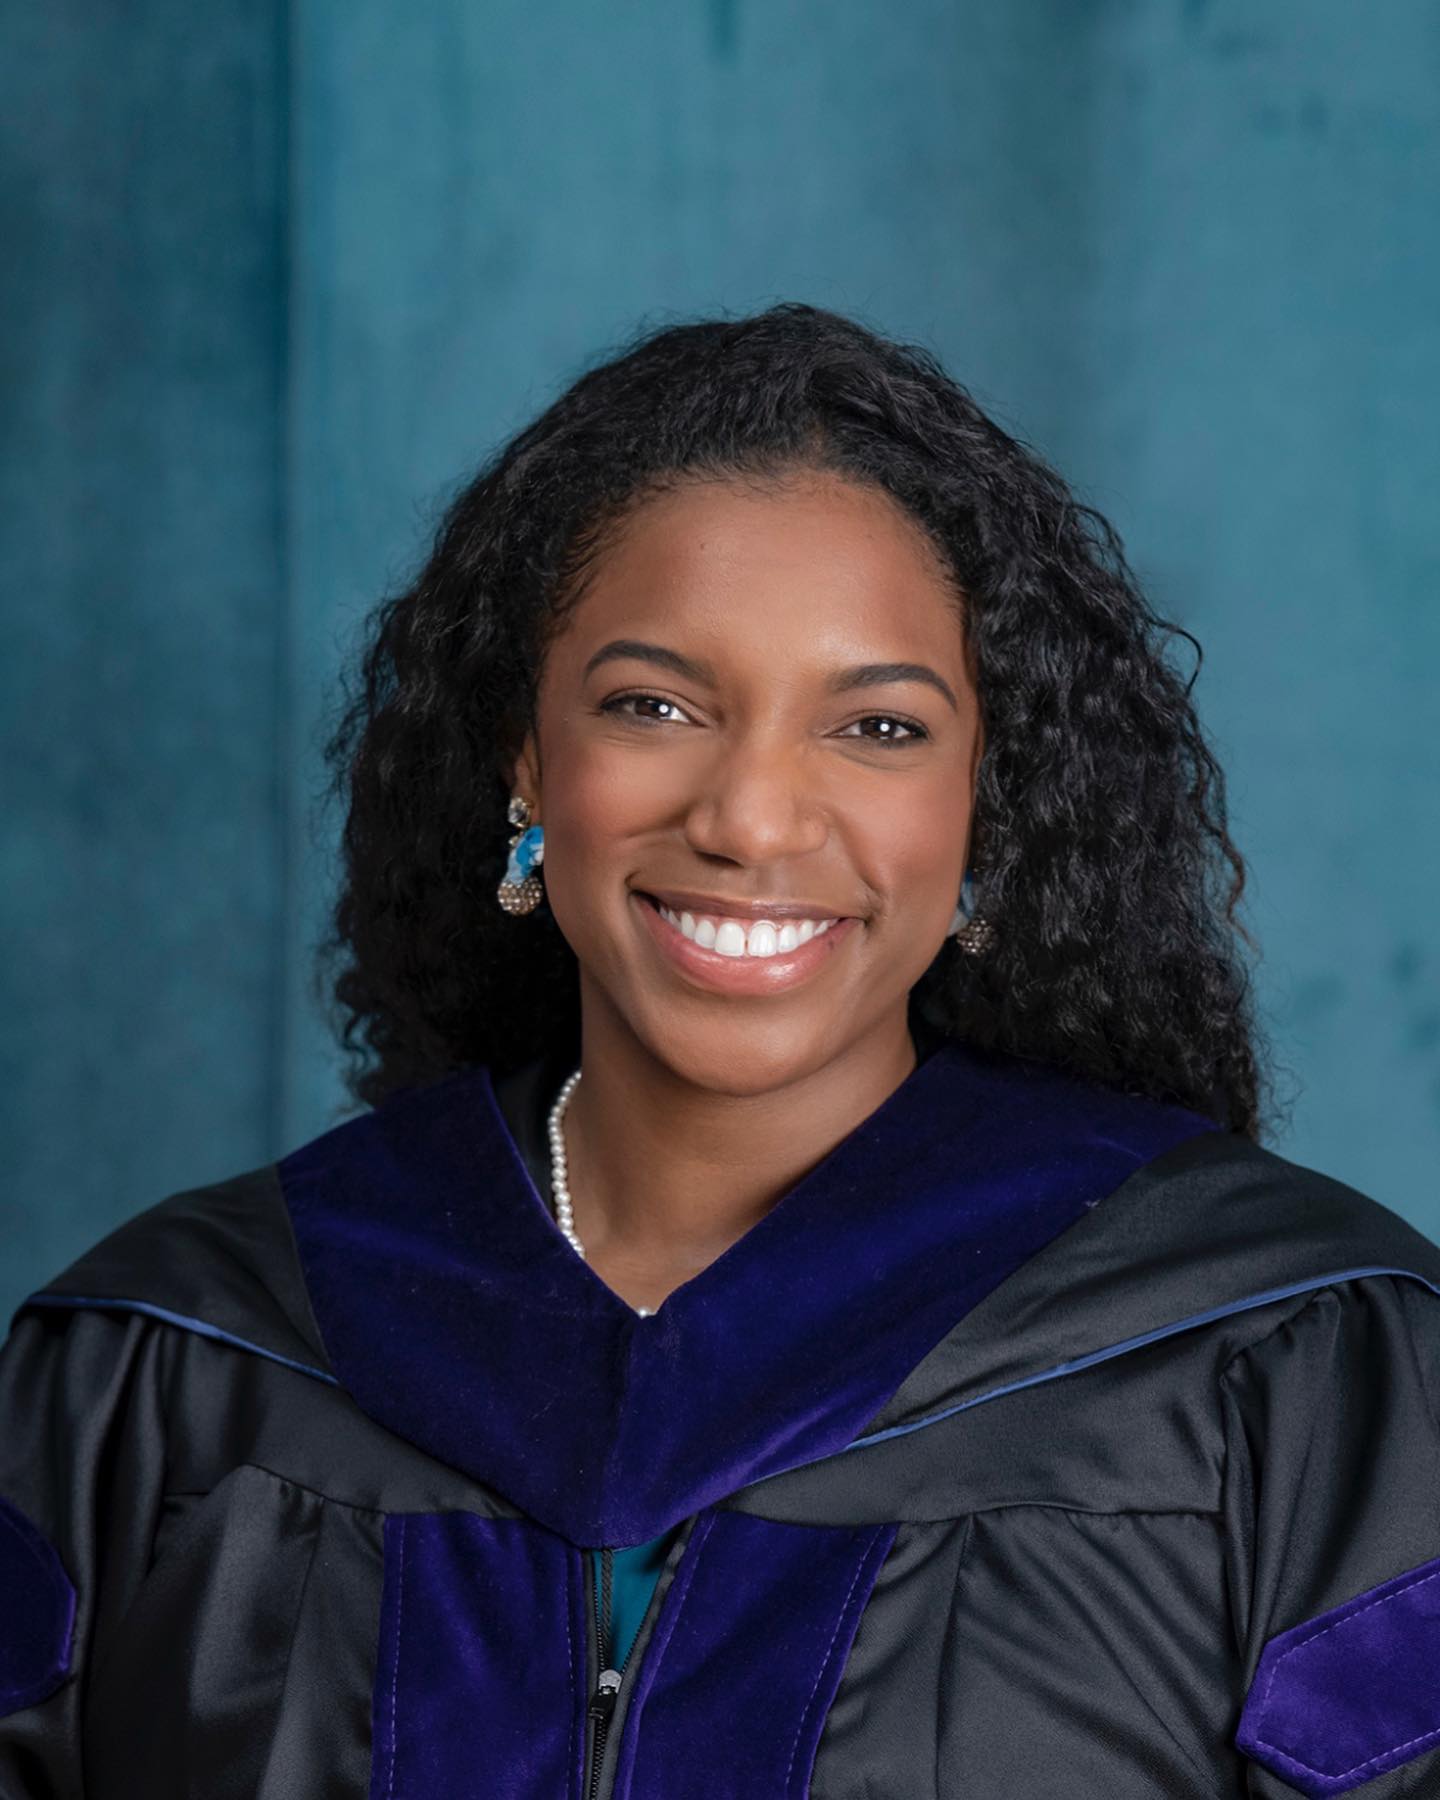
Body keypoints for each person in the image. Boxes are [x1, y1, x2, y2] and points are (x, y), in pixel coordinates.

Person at [3, 303, 1438, 1800]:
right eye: (654, 705)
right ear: (528, 763)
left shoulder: (1282, 1368)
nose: (751, 818)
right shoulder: (170, 1367)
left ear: (984, 805)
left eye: (877, 729)